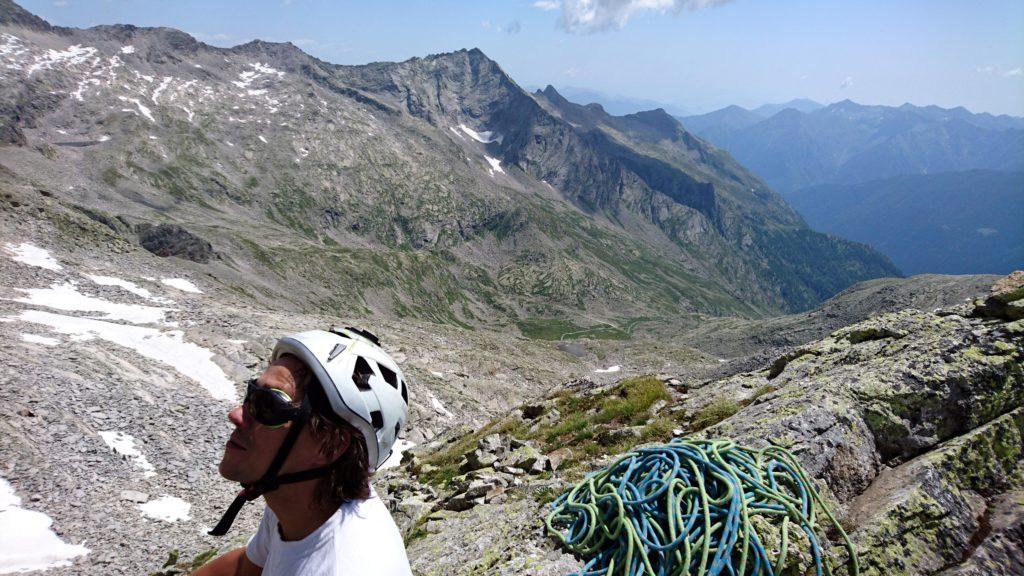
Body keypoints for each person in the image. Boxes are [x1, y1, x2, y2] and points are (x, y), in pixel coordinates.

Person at [193, 327, 413, 576]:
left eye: (267, 406)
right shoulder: (302, 503)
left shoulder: (343, 566)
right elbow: (245, 568)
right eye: (252, 394)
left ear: (330, 446)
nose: (236, 414)